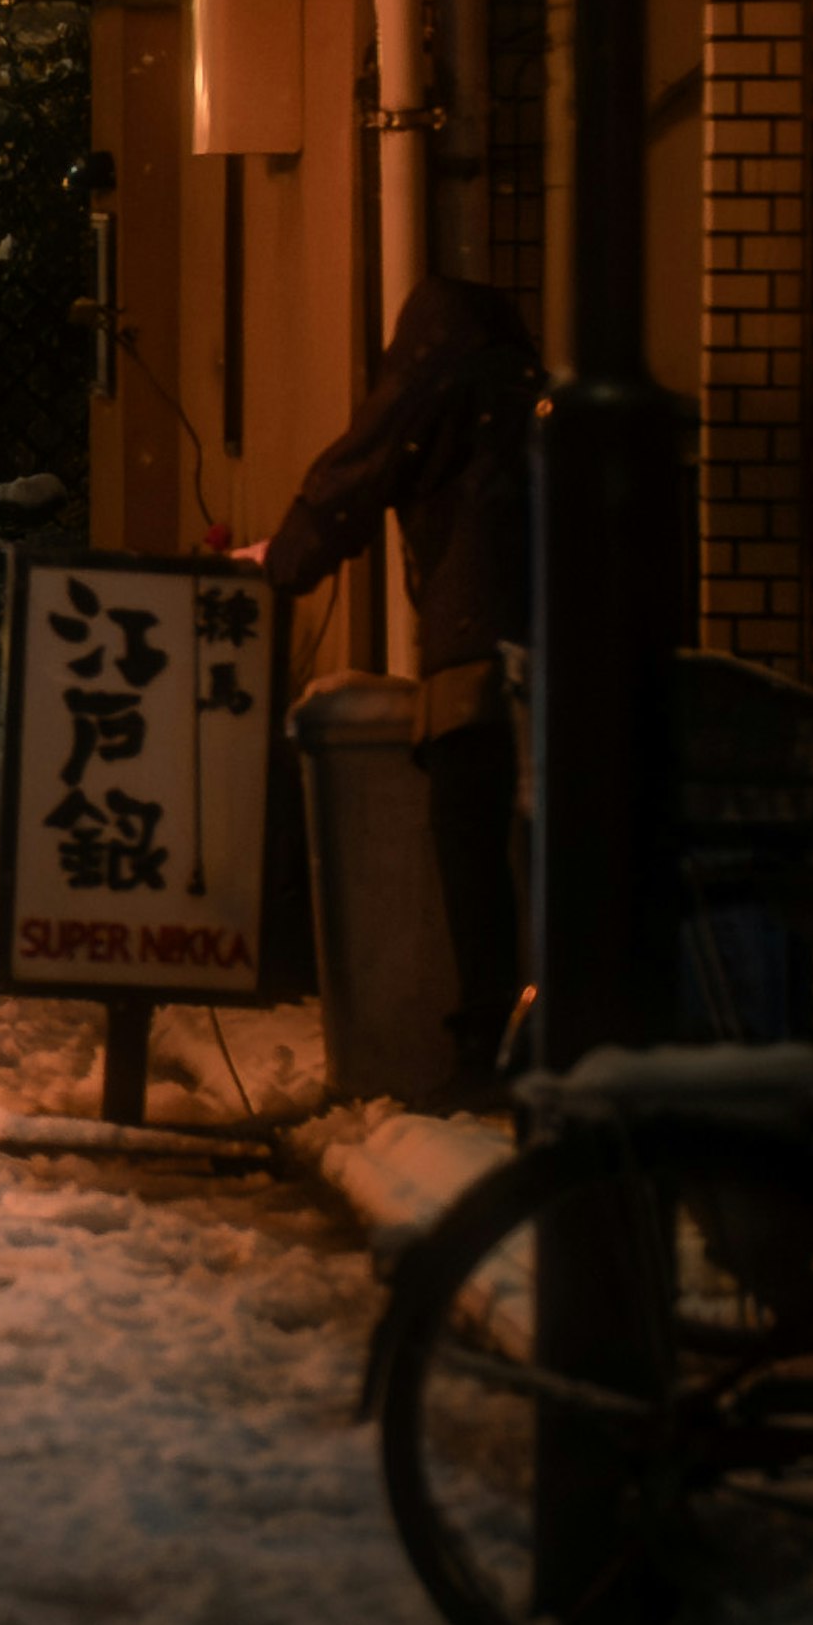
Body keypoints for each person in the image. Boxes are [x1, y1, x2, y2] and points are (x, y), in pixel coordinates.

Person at [259, 270, 537, 1067]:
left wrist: (283, 566)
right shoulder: (533, 390)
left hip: (475, 645)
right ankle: (551, 1026)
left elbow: (350, 480)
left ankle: (488, 1039)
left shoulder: (433, 389)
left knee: (469, 832)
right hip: (566, 655)